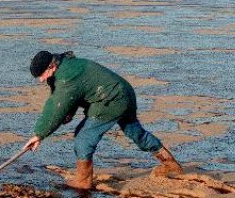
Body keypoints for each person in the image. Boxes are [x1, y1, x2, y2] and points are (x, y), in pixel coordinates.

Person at [23, 50, 182, 190]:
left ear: (51, 66)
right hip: (124, 92)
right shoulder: (66, 65)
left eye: (42, 75)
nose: (41, 80)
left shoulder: (66, 76)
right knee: (136, 134)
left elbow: (56, 107)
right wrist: (69, 113)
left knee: (83, 139)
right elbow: (72, 96)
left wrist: (39, 134)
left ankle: (83, 182)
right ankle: (171, 165)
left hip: (111, 100)